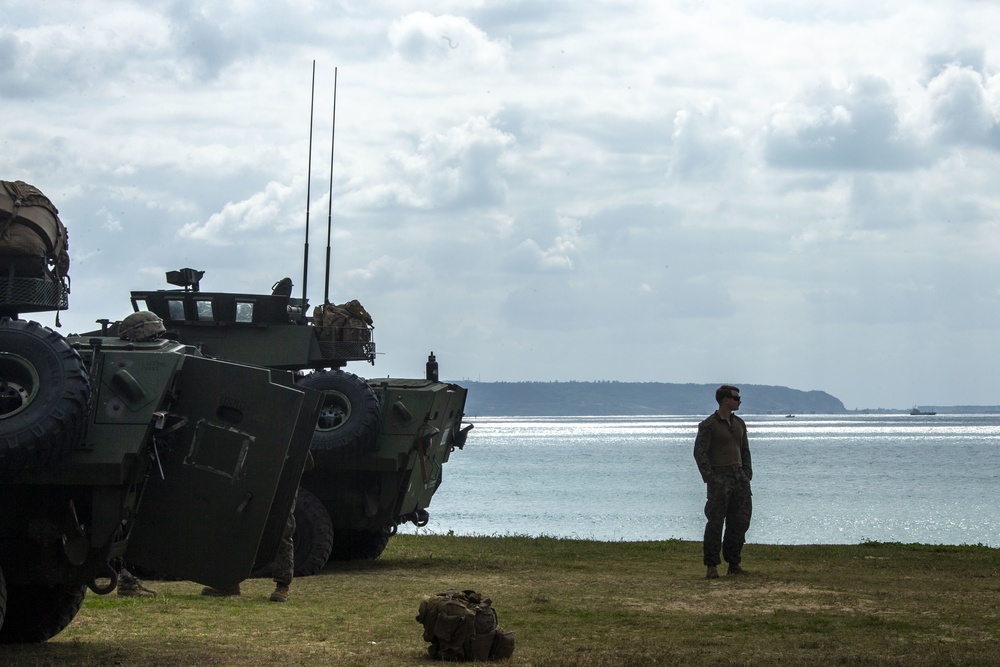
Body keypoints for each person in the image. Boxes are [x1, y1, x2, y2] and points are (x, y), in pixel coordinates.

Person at [694, 384, 753, 579]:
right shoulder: (708, 425)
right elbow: (699, 453)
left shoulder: (740, 424)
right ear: (725, 400)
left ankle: (733, 563)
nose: (739, 401)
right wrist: (710, 478)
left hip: (739, 478)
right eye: (736, 398)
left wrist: (747, 473)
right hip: (719, 478)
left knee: (740, 521)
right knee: (715, 523)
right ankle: (711, 566)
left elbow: (745, 450)